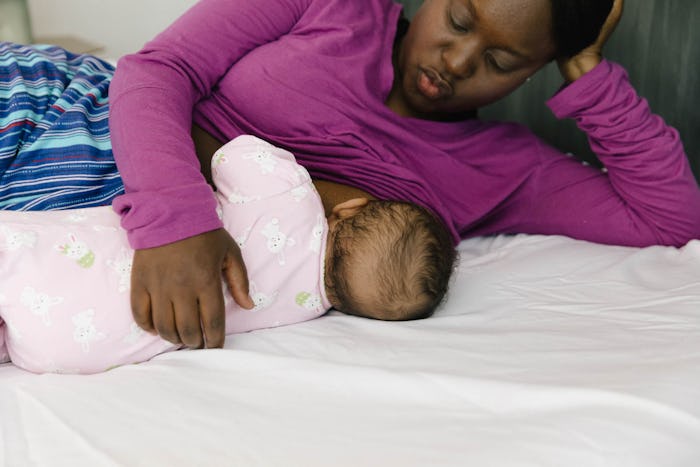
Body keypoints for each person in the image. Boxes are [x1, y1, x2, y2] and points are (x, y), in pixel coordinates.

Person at [1, 0, 699, 350]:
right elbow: (159, 71)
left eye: (502, 61)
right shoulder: (335, 8)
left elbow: (671, 218)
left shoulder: (503, 171)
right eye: (459, 19)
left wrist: (589, 74)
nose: (457, 62)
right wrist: (177, 216)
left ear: (536, 68)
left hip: (78, 226)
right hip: (72, 119)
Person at [0, 135, 456, 374]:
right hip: (73, 348)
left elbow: (235, 155)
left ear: (352, 205)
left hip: (66, 263)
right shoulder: (304, 311)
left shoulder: (295, 200)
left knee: (29, 253)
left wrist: (298, 178)